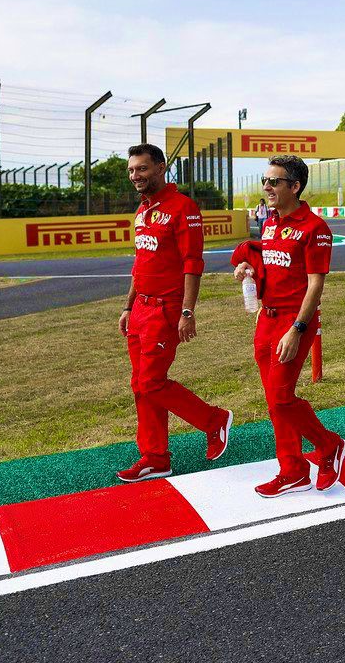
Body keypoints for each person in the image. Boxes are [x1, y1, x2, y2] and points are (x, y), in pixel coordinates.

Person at [232, 154, 345, 497]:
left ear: (295, 186)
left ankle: (329, 445)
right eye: (265, 181)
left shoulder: (315, 228)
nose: (267, 187)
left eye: (274, 182)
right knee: (274, 401)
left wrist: (297, 329)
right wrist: (248, 270)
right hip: (266, 319)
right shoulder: (270, 223)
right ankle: (293, 470)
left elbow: (315, 285)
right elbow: (271, 266)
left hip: (294, 322)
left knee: (282, 398)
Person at [117, 143, 233, 483]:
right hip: (140, 309)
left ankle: (214, 420)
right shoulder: (142, 211)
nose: (135, 175)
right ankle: (155, 457)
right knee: (140, 385)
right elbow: (140, 264)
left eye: (142, 168)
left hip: (166, 308)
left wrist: (187, 310)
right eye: (131, 170)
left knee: (152, 381)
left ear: (160, 167)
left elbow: (192, 263)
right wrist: (128, 306)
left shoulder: (184, 208)